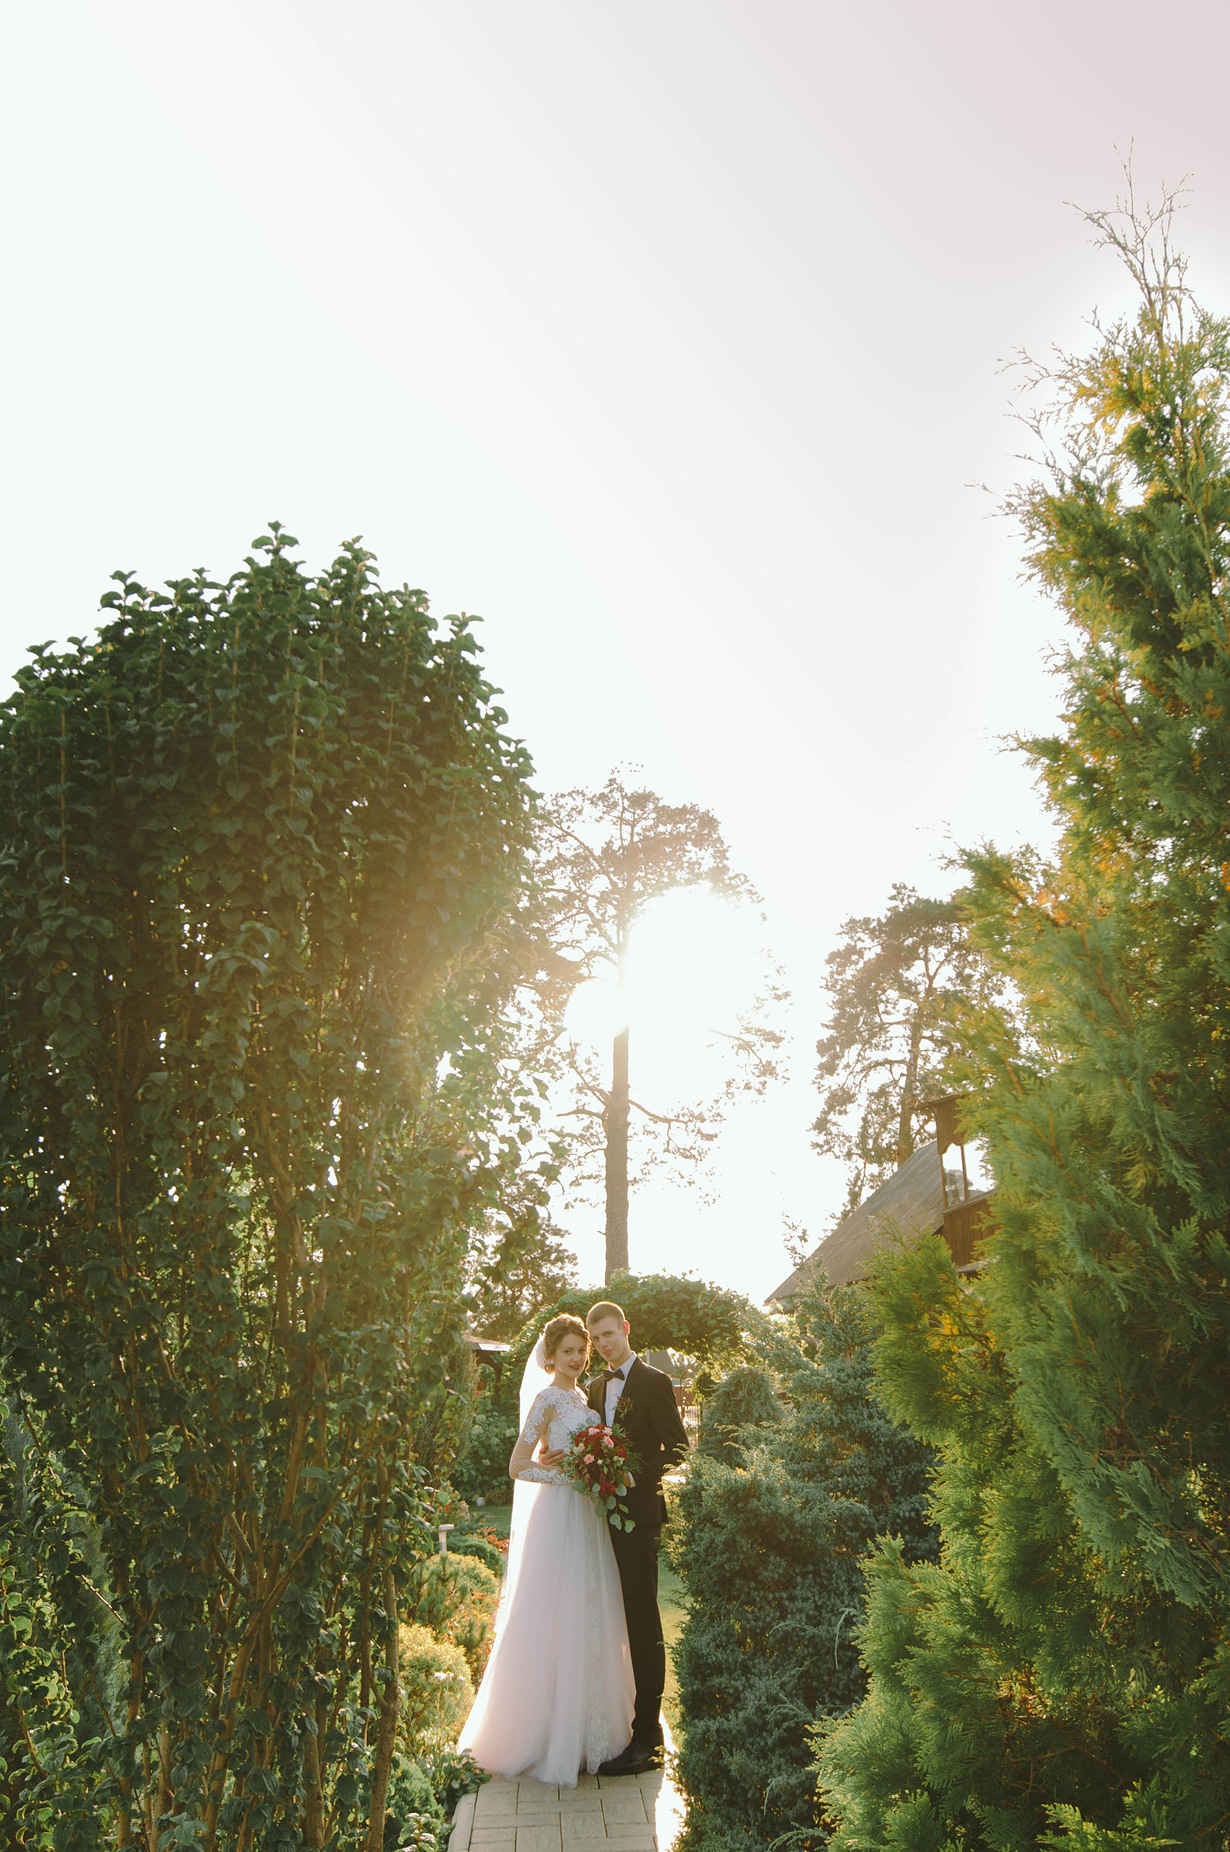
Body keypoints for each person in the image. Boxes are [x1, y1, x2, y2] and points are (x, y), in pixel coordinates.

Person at [458, 1314, 635, 1785]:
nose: (577, 1358)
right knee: (552, 1616)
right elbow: (517, 1465)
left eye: (582, 1351)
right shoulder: (548, 1399)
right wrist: (567, 1477)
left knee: (588, 1613)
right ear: (551, 1356)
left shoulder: (586, 1402)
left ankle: (587, 1732)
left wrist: (600, 1477)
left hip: (588, 1522)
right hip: (557, 1519)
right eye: (568, 1352)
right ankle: (545, 1735)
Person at [584, 1299, 690, 1776]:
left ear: (625, 1329)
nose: (605, 1345)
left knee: (643, 1622)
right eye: (597, 1339)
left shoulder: (654, 1381)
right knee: (610, 1618)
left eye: (610, 1334)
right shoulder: (593, 1386)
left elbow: (678, 1448)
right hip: (596, 1518)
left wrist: (631, 1475)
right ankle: (613, 1723)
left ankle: (649, 1739)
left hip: (639, 1517)